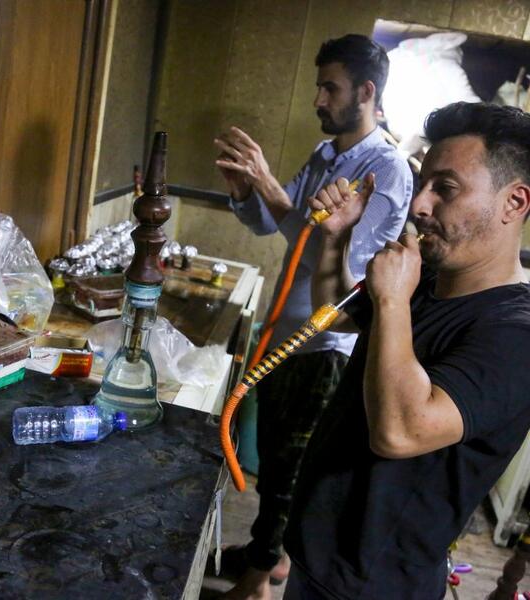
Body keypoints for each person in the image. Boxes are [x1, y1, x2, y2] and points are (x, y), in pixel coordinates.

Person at [282, 101, 530, 599]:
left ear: (514, 203)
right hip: (318, 557)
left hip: (375, 586)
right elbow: (336, 309)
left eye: (447, 188)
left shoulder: (516, 333)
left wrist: (394, 296)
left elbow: (400, 431)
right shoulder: (429, 279)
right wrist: (336, 238)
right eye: (423, 183)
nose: (420, 203)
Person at [213, 35, 412, 599]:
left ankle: (255, 584)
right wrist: (245, 190)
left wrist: (271, 184)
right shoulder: (328, 156)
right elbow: (275, 224)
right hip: (288, 334)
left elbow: (340, 257)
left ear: (366, 92)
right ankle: (268, 558)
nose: (319, 100)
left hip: (327, 342)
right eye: (320, 87)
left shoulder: (386, 169)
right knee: (276, 464)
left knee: (291, 472)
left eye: (331, 87)